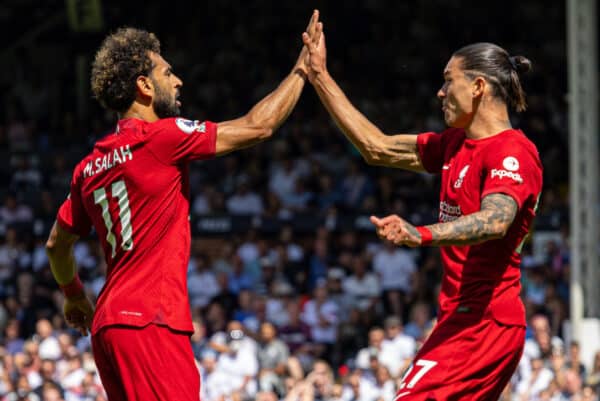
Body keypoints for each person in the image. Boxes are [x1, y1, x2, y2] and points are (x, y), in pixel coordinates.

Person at [44, 11, 322, 401]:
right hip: (150, 322)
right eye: (167, 72)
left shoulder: (87, 167)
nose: (178, 81)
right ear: (144, 85)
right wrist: (302, 70)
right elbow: (259, 126)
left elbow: (56, 244)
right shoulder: (162, 138)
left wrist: (73, 293)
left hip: (108, 325)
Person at [302, 19, 542, 399]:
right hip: (460, 321)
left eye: (449, 81)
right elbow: (376, 147)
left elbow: (497, 220)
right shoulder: (452, 145)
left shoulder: (512, 151)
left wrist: (420, 233)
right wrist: (319, 77)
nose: (440, 92)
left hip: (484, 324)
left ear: (478, 86)